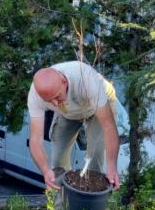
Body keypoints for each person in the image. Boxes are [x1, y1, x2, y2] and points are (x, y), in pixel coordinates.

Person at [27, 61, 121, 191]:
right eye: (48, 101)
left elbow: (109, 127)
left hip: (98, 108)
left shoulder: (86, 79)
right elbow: (35, 140)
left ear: (64, 81)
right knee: (58, 160)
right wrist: (45, 170)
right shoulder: (36, 94)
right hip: (68, 112)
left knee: (96, 155)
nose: (54, 104)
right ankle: (62, 207)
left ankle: (92, 203)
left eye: (56, 97)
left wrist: (112, 167)